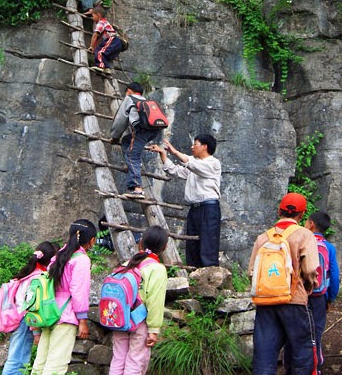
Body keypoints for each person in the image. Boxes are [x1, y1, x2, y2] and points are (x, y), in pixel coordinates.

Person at [248, 192, 320, 375]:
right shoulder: (304, 235)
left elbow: (252, 272)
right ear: (302, 215)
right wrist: (309, 286)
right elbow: (311, 269)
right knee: (301, 353)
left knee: (264, 357)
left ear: (279, 211)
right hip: (294, 301)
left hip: (266, 302)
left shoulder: (263, 237)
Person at [31, 219, 97, 375]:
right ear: (92, 240)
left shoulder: (58, 256)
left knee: (40, 364)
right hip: (65, 316)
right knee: (56, 366)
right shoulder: (81, 260)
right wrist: (82, 320)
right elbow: (78, 292)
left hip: (49, 313)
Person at [149, 134, 221, 267]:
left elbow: (191, 164)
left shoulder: (213, 163)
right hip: (194, 208)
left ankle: (210, 276)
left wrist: (175, 152)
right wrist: (163, 154)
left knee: (208, 243)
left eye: (195, 144)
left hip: (209, 208)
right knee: (192, 244)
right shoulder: (194, 165)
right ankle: (194, 272)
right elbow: (176, 171)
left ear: (205, 147)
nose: (192, 147)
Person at [108, 225, 168, 375]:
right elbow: (155, 301)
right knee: (135, 361)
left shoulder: (126, 265)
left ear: (140, 243)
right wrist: (153, 330)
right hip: (139, 321)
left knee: (118, 359)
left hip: (120, 318)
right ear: (165, 247)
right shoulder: (157, 269)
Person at [290, 211, 340, 374]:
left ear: (311, 224)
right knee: (316, 331)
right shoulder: (329, 247)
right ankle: (315, 366)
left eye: (306, 222)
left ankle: (295, 365)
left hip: (300, 295)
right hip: (319, 297)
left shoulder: (302, 244)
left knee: (298, 330)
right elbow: (334, 274)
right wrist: (330, 297)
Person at [2, 241, 58, 375]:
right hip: (25, 321)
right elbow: (32, 306)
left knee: (18, 356)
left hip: (19, 317)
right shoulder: (38, 277)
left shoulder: (28, 273)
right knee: (18, 359)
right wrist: (36, 332)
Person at [110, 82, 159, 199]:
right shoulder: (147, 101)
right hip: (154, 131)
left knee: (132, 156)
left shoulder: (129, 99)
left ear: (129, 90)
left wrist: (115, 136)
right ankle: (133, 166)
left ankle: (137, 188)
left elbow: (120, 120)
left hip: (140, 131)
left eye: (126, 91)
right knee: (127, 141)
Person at [88, 6, 123, 75]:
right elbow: (100, 38)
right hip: (117, 43)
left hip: (112, 40)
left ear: (98, 15)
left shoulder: (101, 23)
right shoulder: (105, 23)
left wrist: (91, 46)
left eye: (93, 16)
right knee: (104, 55)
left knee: (100, 52)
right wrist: (95, 48)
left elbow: (95, 35)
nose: (92, 18)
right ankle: (107, 68)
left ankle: (100, 66)